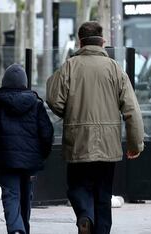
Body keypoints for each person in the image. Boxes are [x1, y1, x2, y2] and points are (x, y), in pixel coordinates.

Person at [46, 21, 145, 234]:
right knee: (103, 193)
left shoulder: (69, 66)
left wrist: (68, 111)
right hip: (108, 146)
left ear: (80, 42)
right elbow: (131, 109)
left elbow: (54, 99)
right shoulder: (115, 69)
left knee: (77, 187)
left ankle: (84, 215)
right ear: (103, 42)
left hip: (78, 141)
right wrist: (135, 143)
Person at [0, 64, 54, 234]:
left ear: (4, 82)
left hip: (5, 158)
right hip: (30, 161)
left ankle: (16, 229)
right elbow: (47, 131)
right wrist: (42, 154)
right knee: (26, 196)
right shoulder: (35, 103)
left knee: (11, 195)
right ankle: (23, 228)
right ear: (25, 83)